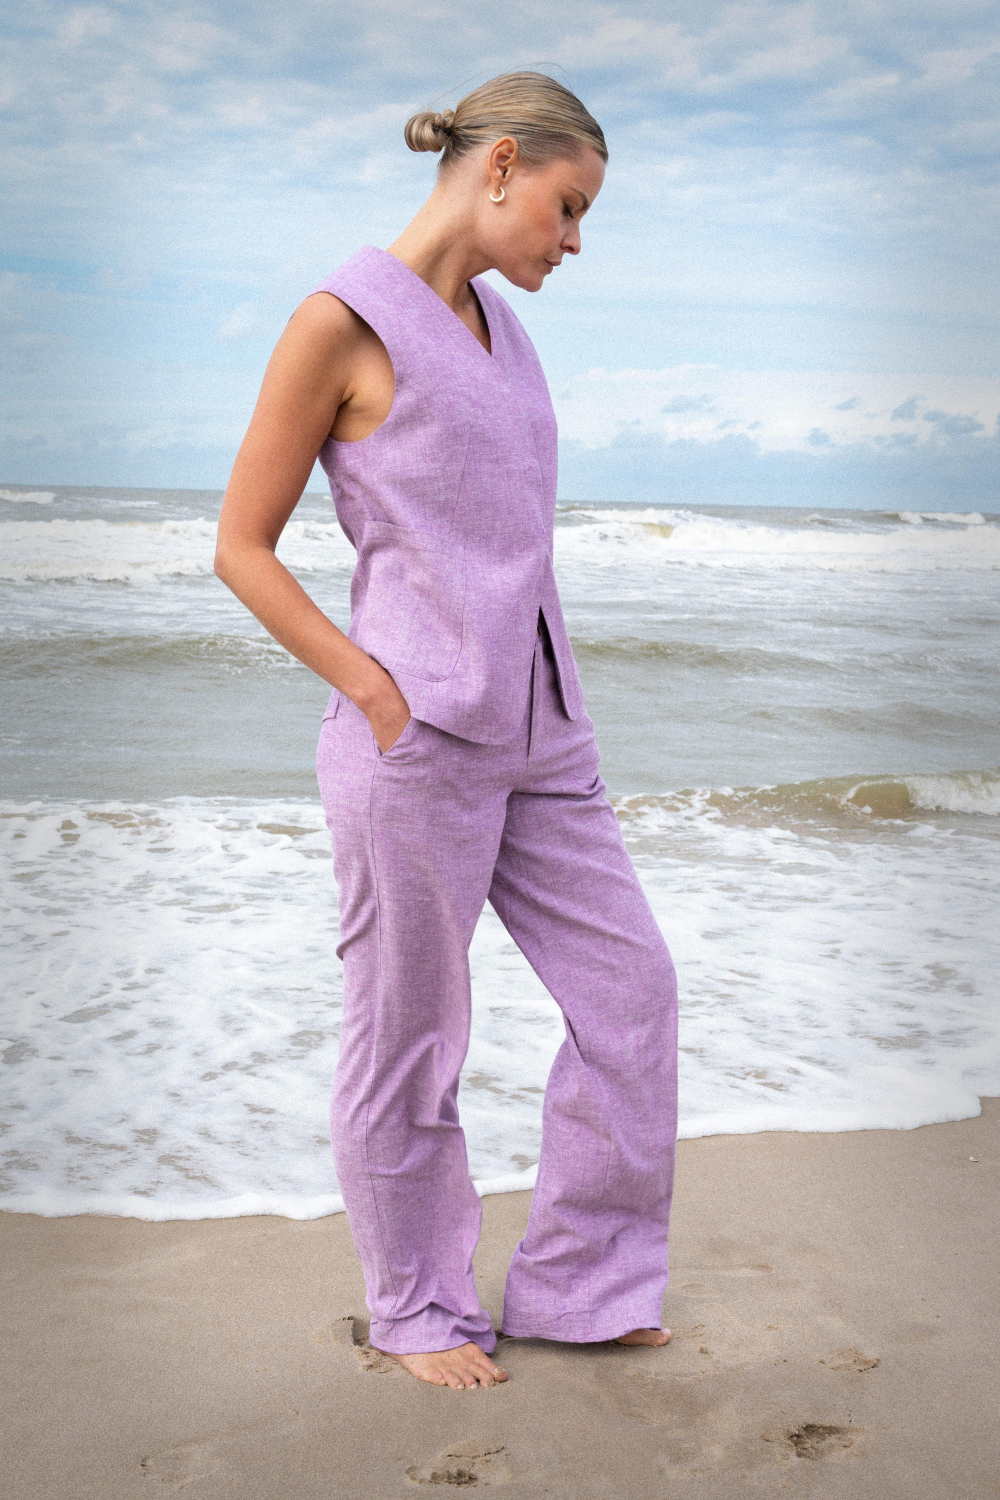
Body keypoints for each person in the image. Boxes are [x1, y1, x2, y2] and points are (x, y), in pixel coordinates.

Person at [214, 71, 678, 1392]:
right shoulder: (339, 322)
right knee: (410, 1040)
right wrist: (374, 693)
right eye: (568, 207)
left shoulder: (504, 328)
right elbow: (242, 548)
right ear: (502, 165)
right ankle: (417, 1306)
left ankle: (581, 1287)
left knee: (633, 995)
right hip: (416, 743)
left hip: (548, 735)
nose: (573, 241)